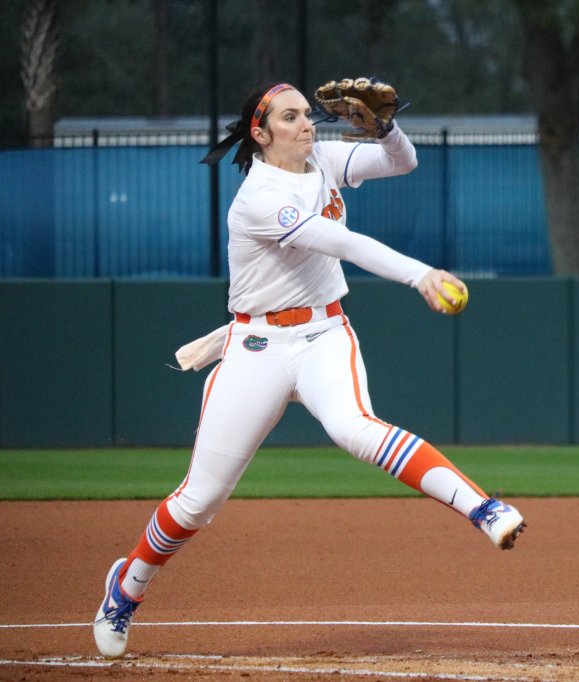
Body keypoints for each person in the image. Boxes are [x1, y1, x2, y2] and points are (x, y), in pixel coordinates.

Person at [92, 82, 525, 659]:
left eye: (306, 114)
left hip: (324, 332)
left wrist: (385, 129)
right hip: (258, 345)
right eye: (290, 117)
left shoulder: (324, 158)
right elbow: (342, 242)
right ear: (260, 133)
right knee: (199, 500)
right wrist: (420, 274)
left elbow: (403, 162)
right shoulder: (259, 197)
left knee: (354, 426)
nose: (306, 125)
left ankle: (484, 509)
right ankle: (128, 584)